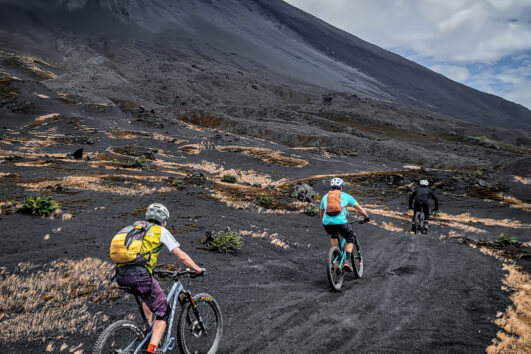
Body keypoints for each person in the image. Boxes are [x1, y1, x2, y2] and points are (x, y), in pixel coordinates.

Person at [114, 203, 204, 354]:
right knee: (164, 312)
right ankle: (152, 350)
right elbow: (181, 256)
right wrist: (197, 269)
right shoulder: (160, 230)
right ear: (164, 221)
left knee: (148, 298)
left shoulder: (135, 229)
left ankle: (147, 330)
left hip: (121, 274)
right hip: (140, 275)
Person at [320, 177, 370, 272]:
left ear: (331, 187)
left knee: (333, 235)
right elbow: (359, 208)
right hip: (341, 222)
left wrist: (324, 221)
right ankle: (347, 261)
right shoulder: (347, 196)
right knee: (350, 238)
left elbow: (322, 211)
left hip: (327, 223)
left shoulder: (325, 197)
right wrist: (366, 217)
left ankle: (336, 257)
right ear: (341, 187)